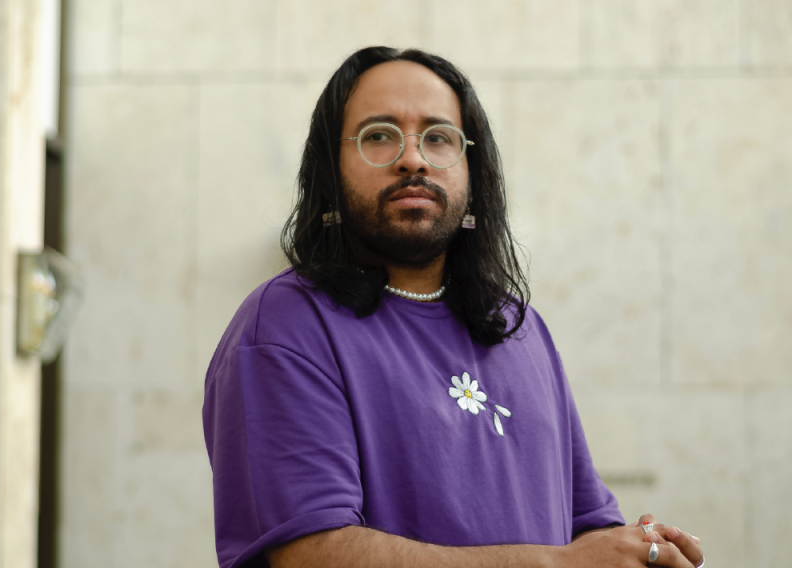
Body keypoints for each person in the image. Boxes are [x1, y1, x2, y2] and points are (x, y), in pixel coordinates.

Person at [202, 46, 705, 568]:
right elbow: (311, 554)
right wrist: (557, 565)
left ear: (472, 170)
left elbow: (586, 527)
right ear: (330, 172)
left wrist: (637, 551)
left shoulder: (516, 326)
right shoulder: (285, 326)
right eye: (378, 135)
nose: (413, 158)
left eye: (439, 137)